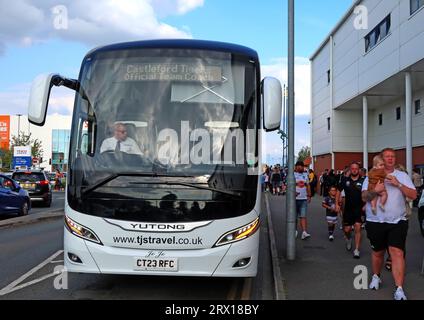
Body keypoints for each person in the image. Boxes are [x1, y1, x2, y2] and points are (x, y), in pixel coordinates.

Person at [362, 148, 417, 300]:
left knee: (397, 253)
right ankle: (376, 276)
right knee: (378, 252)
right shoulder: (371, 174)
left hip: (397, 221)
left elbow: (413, 195)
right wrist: (376, 190)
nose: (390, 159)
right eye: (387, 156)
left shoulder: (402, 175)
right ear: (382, 158)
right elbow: (364, 197)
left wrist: (398, 184)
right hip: (375, 221)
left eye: (393, 156)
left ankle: (399, 289)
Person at [336, 162, 365, 259]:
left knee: (357, 228)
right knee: (347, 229)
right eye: (352, 168)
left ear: (359, 170)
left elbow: (368, 193)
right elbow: (338, 191)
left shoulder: (363, 180)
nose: (354, 170)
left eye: (356, 168)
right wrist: (336, 204)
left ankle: (356, 249)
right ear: (350, 169)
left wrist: (367, 205)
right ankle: (348, 239)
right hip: (348, 208)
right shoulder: (345, 180)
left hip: (359, 209)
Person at [295, 161, 312, 240]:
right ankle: (294, 231)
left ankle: (304, 232)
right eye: (299, 166)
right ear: (296, 167)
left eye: (302, 166)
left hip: (303, 199)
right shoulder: (292, 175)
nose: (301, 167)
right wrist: (293, 193)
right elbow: (288, 186)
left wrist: (309, 196)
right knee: (294, 217)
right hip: (294, 200)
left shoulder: (306, 175)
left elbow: (308, 186)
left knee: (303, 216)